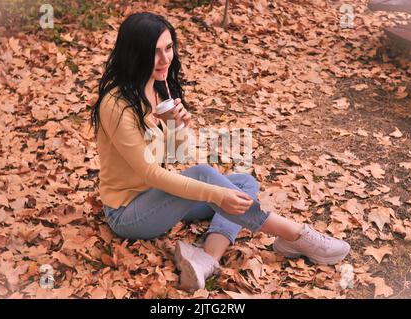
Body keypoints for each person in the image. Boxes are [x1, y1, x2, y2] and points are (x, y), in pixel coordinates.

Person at [90, 12, 350, 292]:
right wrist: (215, 194)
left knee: (244, 183)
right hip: (128, 214)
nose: (166, 59)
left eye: (169, 48)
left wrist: (176, 127)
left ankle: (206, 259)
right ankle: (294, 234)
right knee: (212, 181)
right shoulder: (116, 105)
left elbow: (177, 156)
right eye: (155, 52)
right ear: (135, 54)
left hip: (160, 202)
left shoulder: (157, 89)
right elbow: (151, 174)